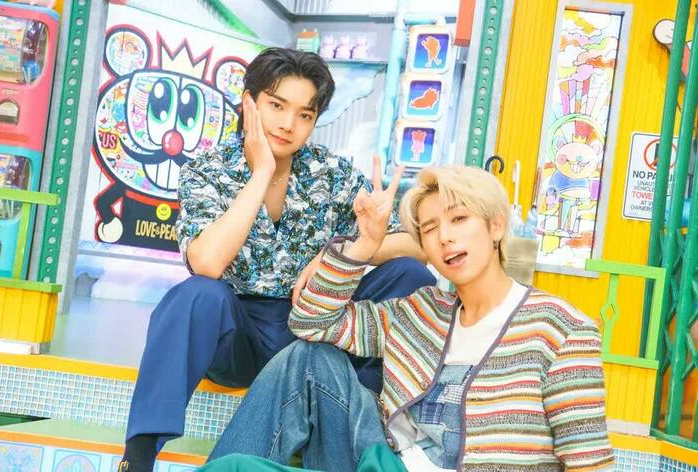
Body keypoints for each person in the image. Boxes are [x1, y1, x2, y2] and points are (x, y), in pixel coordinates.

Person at [118, 48, 434, 472]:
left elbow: (418, 244)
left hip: (318, 328)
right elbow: (207, 263)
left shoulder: (330, 173)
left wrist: (340, 253)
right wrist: (261, 173)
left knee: (408, 274)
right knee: (196, 294)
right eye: (277, 106)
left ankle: (358, 414)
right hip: (239, 335)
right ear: (249, 103)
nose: (288, 124)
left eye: (304, 114)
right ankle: (138, 455)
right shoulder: (209, 170)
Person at [204, 164, 614, 471]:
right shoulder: (419, 313)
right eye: (430, 229)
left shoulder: (560, 329)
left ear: (495, 226)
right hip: (382, 462)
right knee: (302, 368)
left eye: (459, 219)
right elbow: (311, 323)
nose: (445, 237)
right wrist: (364, 246)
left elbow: (590, 464)